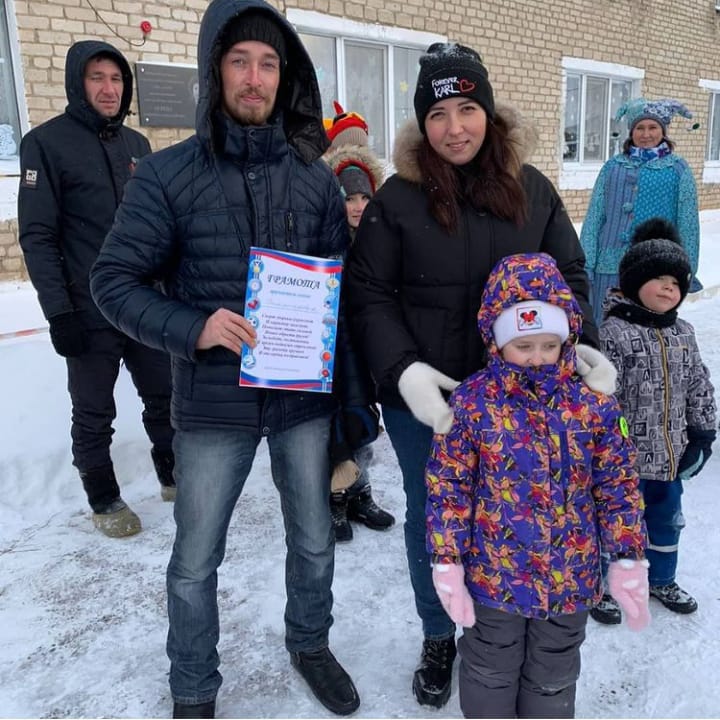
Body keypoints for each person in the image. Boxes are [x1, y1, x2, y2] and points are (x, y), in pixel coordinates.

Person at [90, 1, 362, 717]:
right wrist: (195, 327)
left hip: (300, 398)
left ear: (285, 77)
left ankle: (310, 643)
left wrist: (349, 398)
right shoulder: (167, 175)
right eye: (240, 61)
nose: (254, 77)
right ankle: (193, 686)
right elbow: (113, 281)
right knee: (195, 559)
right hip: (213, 402)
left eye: (268, 63)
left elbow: (340, 292)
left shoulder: (314, 179)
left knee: (314, 541)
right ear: (216, 72)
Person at [345, 41, 616, 708]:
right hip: (429, 402)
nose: (455, 128)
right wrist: (402, 371)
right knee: (436, 516)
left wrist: (579, 341)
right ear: (422, 125)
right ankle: (440, 632)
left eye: (467, 110)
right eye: (438, 115)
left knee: (521, 512)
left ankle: (508, 632)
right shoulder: (398, 200)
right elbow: (369, 292)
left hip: (528, 394)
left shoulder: (532, 190)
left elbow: (570, 277)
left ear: (489, 116)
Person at [425, 252, 649, 719]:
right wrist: (447, 561)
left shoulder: (593, 405)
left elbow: (618, 485)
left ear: (567, 338)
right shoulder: (471, 403)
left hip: (570, 575)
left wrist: (628, 555)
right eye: (523, 345)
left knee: (554, 672)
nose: (537, 358)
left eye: (550, 344)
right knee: (489, 667)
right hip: (494, 575)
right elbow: (448, 486)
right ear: (497, 341)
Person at [17, 40, 175, 538]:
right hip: (86, 309)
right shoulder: (46, 144)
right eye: (97, 78)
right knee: (93, 411)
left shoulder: (137, 146)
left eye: (116, 78)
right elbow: (37, 236)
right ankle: (103, 497)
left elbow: (158, 226)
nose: (109, 89)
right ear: (77, 84)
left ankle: (174, 476)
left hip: (143, 302)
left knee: (165, 396)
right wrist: (58, 312)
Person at [593, 218, 717, 625]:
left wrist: (703, 433)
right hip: (622, 463)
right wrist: (601, 447)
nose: (669, 288)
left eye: (676, 283)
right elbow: (601, 396)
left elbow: (699, 384)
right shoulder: (613, 333)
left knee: (666, 523)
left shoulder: (684, 333)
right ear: (634, 282)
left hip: (669, 459)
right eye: (659, 279)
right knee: (614, 524)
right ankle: (601, 585)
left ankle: (662, 578)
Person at [323, 103, 395, 542]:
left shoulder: (378, 238)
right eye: (349, 198)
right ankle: (332, 498)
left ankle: (359, 492)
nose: (357, 206)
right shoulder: (326, 238)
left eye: (364, 198)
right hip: (332, 348)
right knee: (335, 425)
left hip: (364, 348)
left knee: (363, 422)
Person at [580, 97, 701, 325]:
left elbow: (688, 224)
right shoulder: (613, 167)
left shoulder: (677, 169)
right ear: (631, 131)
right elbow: (595, 216)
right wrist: (586, 262)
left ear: (663, 131)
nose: (646, 134)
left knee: (646, 330)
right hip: (608, 266)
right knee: (605, 324)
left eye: (653, 127)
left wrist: (687, 269)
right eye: (640, 128)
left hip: (654, 267)